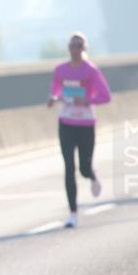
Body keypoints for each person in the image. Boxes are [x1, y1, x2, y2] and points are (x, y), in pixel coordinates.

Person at [46, 33, 111, 228]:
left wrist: (88, 100)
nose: (75, 49)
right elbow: (55, 89)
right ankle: (73, 212)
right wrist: (53, 98)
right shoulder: (60, 69)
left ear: (84, 49)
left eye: (79, 46)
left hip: (85, 124)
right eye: (72, 46)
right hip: (66, 123)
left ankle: (92, 175)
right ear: (68, 48)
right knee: (69, 167)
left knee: (83, 168)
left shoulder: (91, 70)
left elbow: (106, 96)